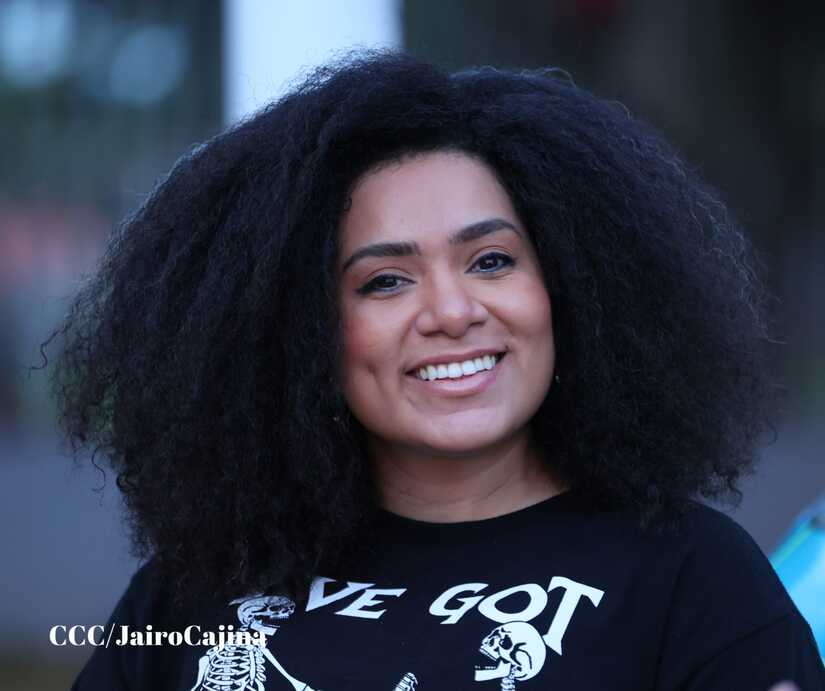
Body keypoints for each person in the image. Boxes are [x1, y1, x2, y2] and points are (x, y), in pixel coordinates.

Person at [44, 50, 823, 690]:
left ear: (569, 288)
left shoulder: (692, 578)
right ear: (296, 332)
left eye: (491, 261)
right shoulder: (192, 591)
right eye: (384, 280)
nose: (451, 311)